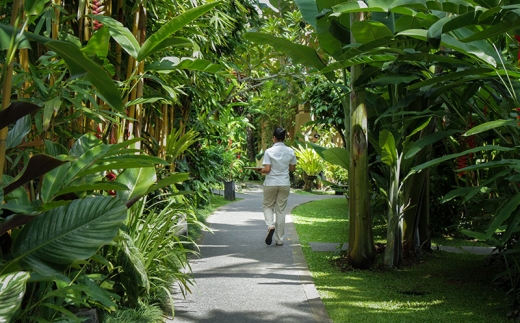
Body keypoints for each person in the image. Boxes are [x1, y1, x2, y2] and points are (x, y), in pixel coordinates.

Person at [257, 127, 297, 246]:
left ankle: (270, 226)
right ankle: (279, 239)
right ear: (284, 138)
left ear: (274, 138)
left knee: (267, 206)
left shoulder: (269, 151)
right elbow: (292, 168)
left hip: (271, 183)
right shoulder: (290, 151)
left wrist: (260, 171)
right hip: (284, 183)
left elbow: (267, 169)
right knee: (281, 210)